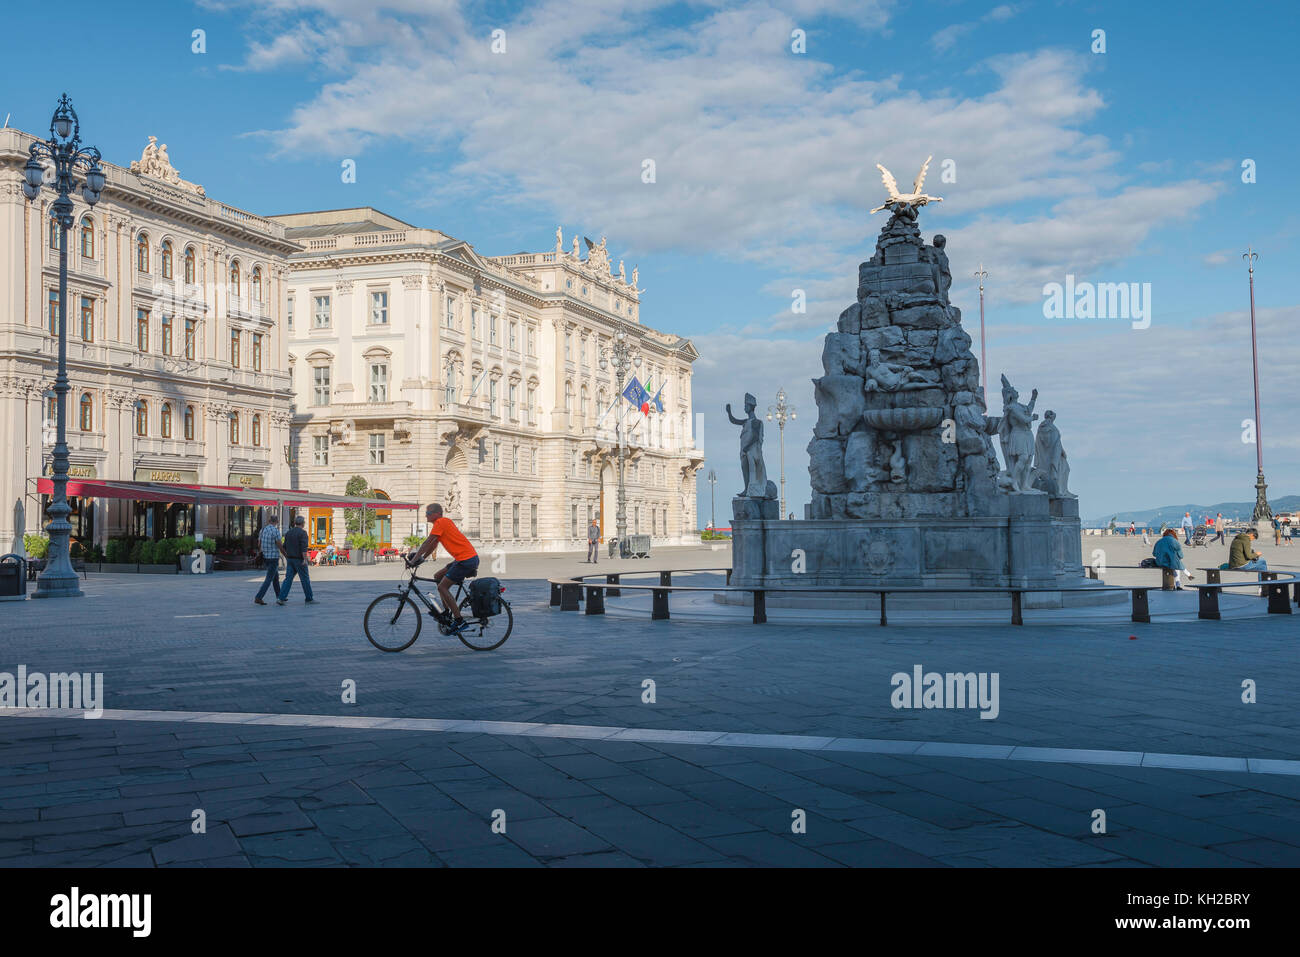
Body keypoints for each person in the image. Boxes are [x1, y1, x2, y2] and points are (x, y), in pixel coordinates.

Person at [407, 503, 479, 633]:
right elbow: (433, 545)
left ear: (436, 514)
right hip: (463, 559)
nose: (426, 515)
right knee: (437, 577)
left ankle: (459, 621)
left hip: (466, 560)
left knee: (442, 587)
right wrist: (422, 559)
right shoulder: (440, 524)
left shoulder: (441, 522)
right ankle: (446, 612)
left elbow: (427, 542)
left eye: (428, 513)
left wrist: (413, 560)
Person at [276, 515, 317, 605]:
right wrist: (305, 559)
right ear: (303, 523)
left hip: (290, 559)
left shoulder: (288, 533)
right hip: (299, 559)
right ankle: (309, 598)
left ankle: (281, 598)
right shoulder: (303, 533)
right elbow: (303, 548)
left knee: (288, 579)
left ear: (295, 523)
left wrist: (287, 556)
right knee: (305, 579)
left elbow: (284, 547)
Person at [253, 517, 283, 605]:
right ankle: (258, 597)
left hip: (265, 557)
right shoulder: (275, 531)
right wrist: (285, 555)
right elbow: (280, 545)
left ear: (269, 521)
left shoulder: (262, 530)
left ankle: (280, 596)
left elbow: (259, 544)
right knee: (269, 579)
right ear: (277, 522)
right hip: (273, 557)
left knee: (275, 578)